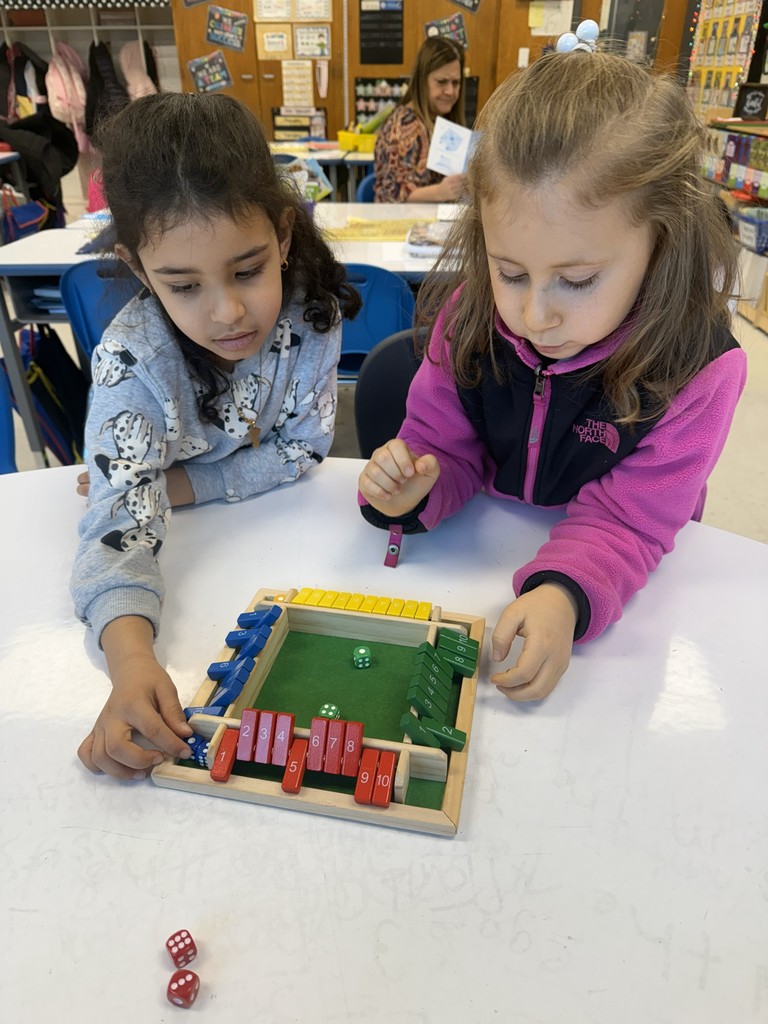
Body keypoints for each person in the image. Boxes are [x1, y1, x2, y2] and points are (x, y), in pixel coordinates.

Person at [358, 50, 747, 702]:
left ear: (662, 242)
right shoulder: (472, 315)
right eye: (510, 271)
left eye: (576, 280)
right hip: (474, 547)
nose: (535, 314)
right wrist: (411, 491)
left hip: (633, 614)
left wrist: (564, 592)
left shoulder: (696, 371)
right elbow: (441, 446)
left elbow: (632, 520)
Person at [72, 92, 360, 780]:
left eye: (248, 270)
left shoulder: (310, 317)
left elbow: (303, 449)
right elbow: (117, 528)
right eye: (184, 284)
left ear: (283, 237)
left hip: (283, 539)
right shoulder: (131, 358)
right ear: (140, 270)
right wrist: (133, 659)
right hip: (200, 563)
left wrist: (175, 485)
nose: (228, 311)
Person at [373, 36, 467, 203]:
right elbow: (391, 195)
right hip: (400, 224)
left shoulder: (440, 122)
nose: (450, 91)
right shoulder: (404, 127)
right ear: (422, 81)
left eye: (456, 83)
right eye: (441, 82)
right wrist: (440, 192)